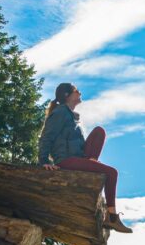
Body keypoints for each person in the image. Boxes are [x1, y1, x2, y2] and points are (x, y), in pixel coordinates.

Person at [38, 82, 132, 234]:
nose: (80, 93)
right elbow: (46, 137)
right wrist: (44, 161)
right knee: (111, 173)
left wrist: (89, 160)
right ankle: (112, 217)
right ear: (68, 95)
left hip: (78, 157)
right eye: (77, 91)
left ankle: (91, 162)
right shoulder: (60, 112)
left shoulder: (72, 116)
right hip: (66, 160)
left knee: (99, 131)